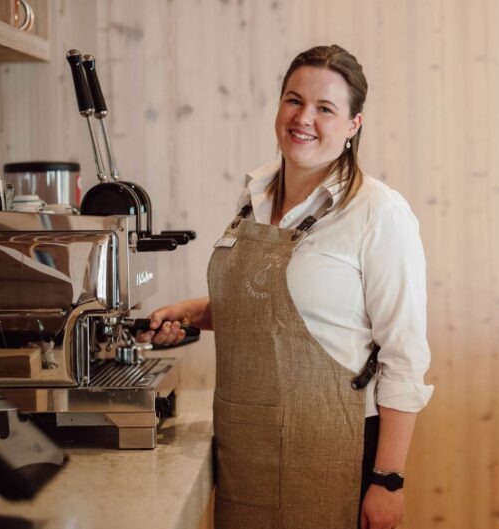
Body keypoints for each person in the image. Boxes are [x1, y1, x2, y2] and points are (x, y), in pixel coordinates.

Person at [139, 44, 433, 529]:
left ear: (353, 125)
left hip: (329, 451)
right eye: (294, 100)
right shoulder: (254, 195)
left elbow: (404, 355)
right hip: (244, 448)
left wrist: (388, 481)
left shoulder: (378, 212)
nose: (304, 118)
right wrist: (192, 313)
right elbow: (271, 307)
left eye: (325, 108)